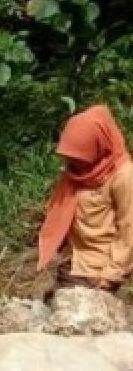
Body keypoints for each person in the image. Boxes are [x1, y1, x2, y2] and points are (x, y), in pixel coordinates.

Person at [37, 104, 133, 294]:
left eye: (79, 159)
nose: (73, 164)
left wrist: (111, 276)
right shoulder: (78, 173)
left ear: (98, 146)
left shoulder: (123, 176)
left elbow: (129, 229)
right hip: (73, 263)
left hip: (99, 271)